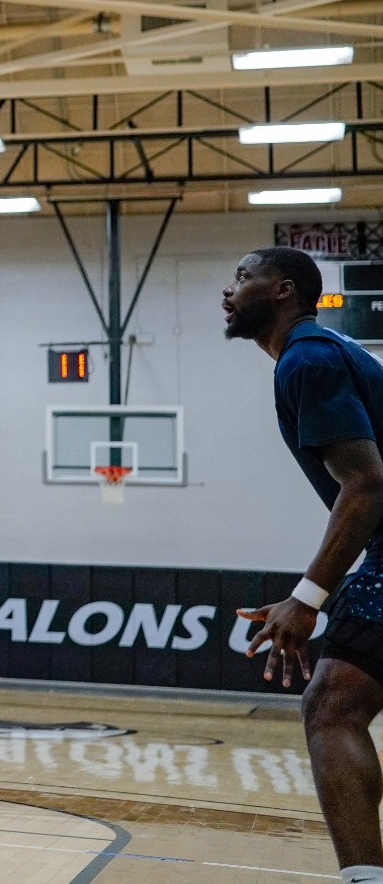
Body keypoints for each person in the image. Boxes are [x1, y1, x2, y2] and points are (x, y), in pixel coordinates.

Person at [225, 247, 383, 884]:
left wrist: (309, 596)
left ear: (283, 290)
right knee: (336, 703)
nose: (229, 290)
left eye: (243, 277)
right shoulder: (321, 353)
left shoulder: (307, 359)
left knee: (332, 708)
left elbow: (367, 485)